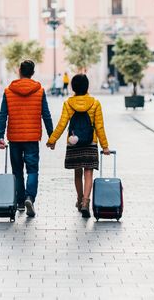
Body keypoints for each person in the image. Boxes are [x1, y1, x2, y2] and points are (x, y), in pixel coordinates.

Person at [46, 74, 110, 218]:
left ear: (72, 87)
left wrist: (52, 140)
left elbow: (62, 124)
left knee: (77, 172)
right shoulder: (95, 103)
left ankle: (80, 199)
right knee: (88, 172)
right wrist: (105, 146)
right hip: (90, 142)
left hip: (73, 142)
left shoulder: (68, 103)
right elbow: (99, 127)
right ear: (87, 86)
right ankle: (86, 202)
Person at [0, 60, 53, 217]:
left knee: (17, 170)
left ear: (19, 71)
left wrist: (0, 136)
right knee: (33, 169)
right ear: (33, 73)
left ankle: (21, 201)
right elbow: (46, 115)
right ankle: (30, 197)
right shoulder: (39, 91)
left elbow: (3, 115)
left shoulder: (9, 91)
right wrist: (52, 136)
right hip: (32, 138)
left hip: (15, 137)